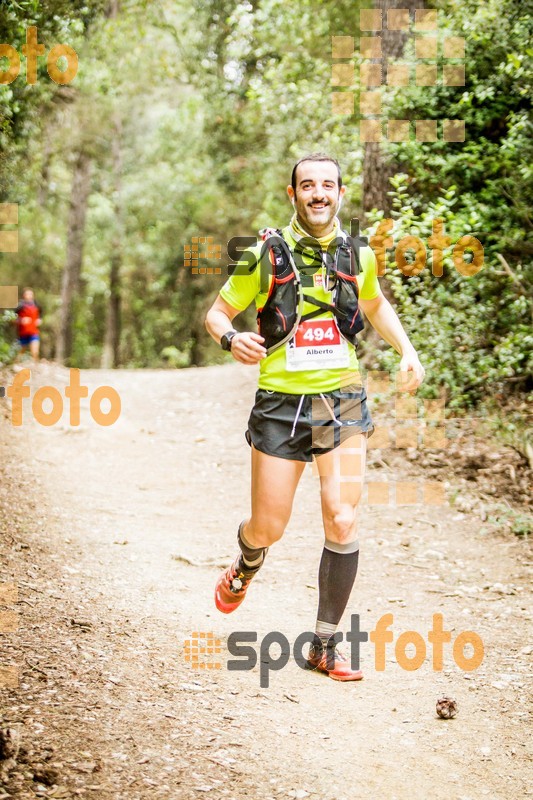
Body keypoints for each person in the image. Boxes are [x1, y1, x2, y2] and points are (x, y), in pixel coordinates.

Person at [205, 153, 425, 681]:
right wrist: (232, 338)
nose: (318, 193)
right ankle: (246, 562)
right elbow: (216, 314)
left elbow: (373, 305)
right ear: (292, 194)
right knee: (268, 527)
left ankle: (323, 644)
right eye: (308, 185)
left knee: (342, 516)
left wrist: (407, 349)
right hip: (280, 404)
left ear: (341, 194)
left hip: (342, 399)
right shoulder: (264, 252)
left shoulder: (357, 252)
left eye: (328, 185)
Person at [14, 287, 42, 363]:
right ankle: (14, 364)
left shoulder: (36, 305)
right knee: (21, 351)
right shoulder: (20, 306)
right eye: (27, 294)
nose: (29, 296)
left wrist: (39, 320)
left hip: (34, 332)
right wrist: (21, 320)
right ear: (24, 295)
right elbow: (13, 317)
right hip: (23, 333)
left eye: (31, 294)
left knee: (35, 352)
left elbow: (40, 315)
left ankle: (36, 367)